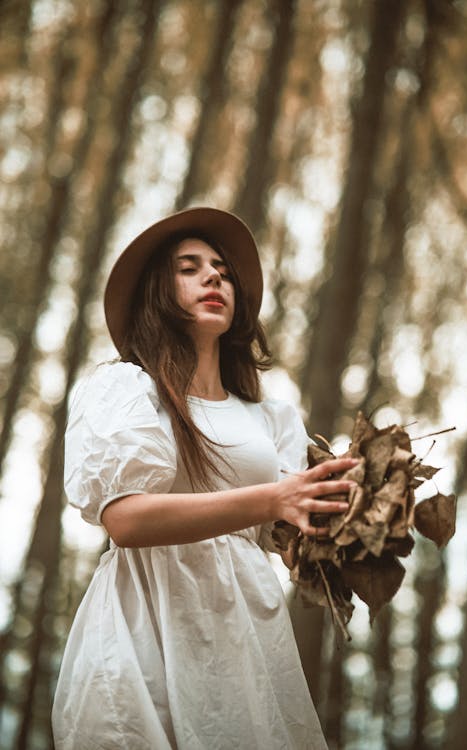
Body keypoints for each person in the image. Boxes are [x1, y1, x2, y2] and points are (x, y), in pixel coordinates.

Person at [52, 207, 358, 749]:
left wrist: (346, 509)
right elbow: (125, 519)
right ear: (156, 293)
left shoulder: (271, 419)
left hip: (245, 642)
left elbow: (285, 542)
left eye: (219, 268)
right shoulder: (128, 391)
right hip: (146, 630)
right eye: (188, 268)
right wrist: (273, 497)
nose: (214, 276)